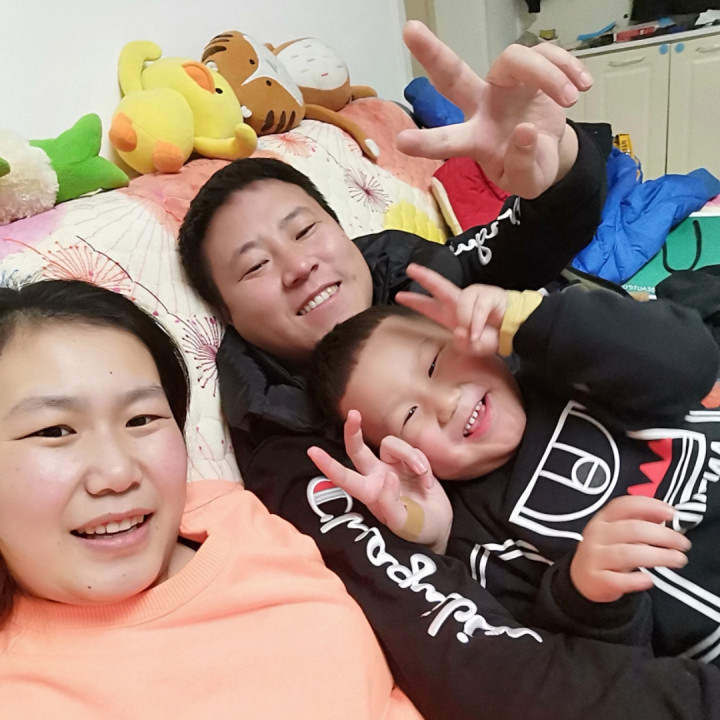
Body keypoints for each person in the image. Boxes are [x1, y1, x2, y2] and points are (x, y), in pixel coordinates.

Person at [172, 19, 720, 720]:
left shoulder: (411, 276)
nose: (298, 264)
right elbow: (480, 639)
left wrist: (556, 162)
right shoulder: (296, 454)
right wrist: (439, 546)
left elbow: (535, 237)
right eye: (253, 267)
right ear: (225, 315)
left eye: (305, 229)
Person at [0, 279, 425, 720]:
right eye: (54, 431)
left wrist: (423, 532)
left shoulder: (232, 515)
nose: (118, 474)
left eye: (141, 419)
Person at [308, 261, 720, 664]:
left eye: (434, 363)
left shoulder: (566, 357)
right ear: (400, 459)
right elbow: (596, 674)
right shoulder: (476, 542)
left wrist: (528, 320)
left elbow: (692, 359)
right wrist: (585, 593)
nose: (446, 402)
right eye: (408, 416)